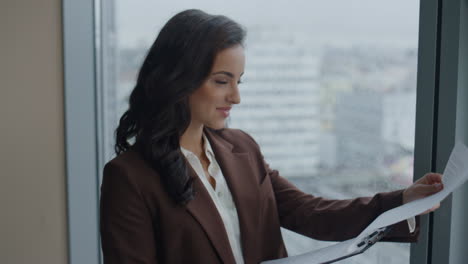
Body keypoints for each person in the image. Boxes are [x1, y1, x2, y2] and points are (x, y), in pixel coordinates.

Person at [100, 9, 443, 264]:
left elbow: (311, 212)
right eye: (222, 81)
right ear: (179, 79)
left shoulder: (242, 149)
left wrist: (401, 203)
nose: (235, 97)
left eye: (239, 81)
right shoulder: (129, 178)